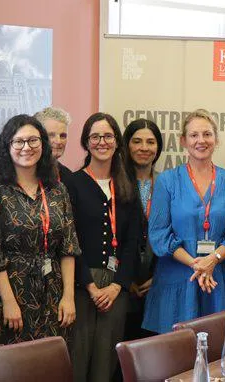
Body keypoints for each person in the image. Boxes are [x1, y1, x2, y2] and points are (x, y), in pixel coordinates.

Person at [143, 109, 225, 333]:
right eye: (194, 135)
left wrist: (213, 259)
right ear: (183, 140)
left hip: (220, 279)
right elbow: (159, 235)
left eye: (207, 134)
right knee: (176, 357)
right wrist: (197, 264)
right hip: (179, 279)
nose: (200, 141)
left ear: (216, 139)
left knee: (220, 355)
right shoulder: (166, 181)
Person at [0, 114, 81, 346]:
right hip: (10, 293)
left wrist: (68, 297)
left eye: (33, 141)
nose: (27, 147)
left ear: (43, 145)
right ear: (8, 146)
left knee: (49, 363)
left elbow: (68, 248)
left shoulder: (57, 190)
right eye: (19, 141)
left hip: (52, 293)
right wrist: (9, 301)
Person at [65, 113, 141, 381]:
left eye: (108, 136)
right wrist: (91, 286)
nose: (102, 142)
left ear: (117, 142)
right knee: (78, 355)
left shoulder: (127, 184)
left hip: (116, 286)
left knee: (106, 361)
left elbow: (133, 242)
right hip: (82, 284)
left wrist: (117, 285)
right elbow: (69, 240)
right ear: (86, 143)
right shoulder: (72, 183)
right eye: (95, 137)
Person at [122, 118, 164, 340]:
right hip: (120, 283)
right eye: (137, 141)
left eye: (151, 142)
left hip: (157, 281)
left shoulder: (167, 183)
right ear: (127, 145)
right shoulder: (116, 182)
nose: (144, 148)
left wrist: (159, 275)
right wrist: (125, 279)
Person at [34, 106, 73, 181]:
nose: (58, 141)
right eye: (51, 135)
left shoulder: (68, 176)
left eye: (62, 136)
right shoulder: (26, 174)